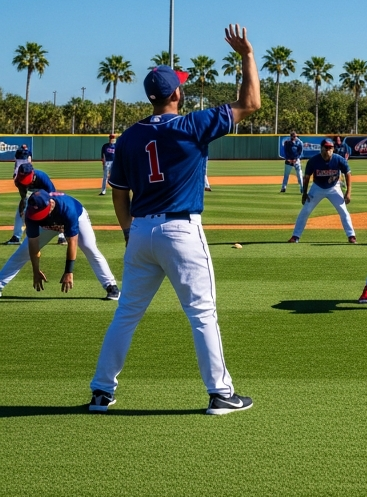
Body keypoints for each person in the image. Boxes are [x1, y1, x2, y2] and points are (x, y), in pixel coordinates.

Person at [88, 25, 261, 415]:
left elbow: (119, 191)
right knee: (202, 313)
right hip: (181, 230)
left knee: (126, 313)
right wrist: (247, 55)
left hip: (142, 230)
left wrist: (130, 232)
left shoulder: (129, 137)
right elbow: (250, 103)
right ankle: (220, 394)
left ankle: (102, 391)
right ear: (176, 94)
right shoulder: (191, 125)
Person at [0, 189, 119, 300]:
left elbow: (72, 241)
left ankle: (111, 285)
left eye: (41, 212)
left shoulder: (67, 209)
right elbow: (33, 244)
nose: (39, 214)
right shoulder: (31, 214)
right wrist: (35, 271)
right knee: (23, 251)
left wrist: (69, 271)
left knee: (89, 247)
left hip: (77, 218)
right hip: (46, 226)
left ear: (50, 203)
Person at [288, 138, 356, 243]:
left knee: (343, 210)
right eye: (326, 147)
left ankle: (351, 236)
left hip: (334, 187)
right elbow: (307, 177)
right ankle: (295, 236)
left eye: (330, 148)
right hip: (317, 187)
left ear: (333, 149)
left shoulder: (338, 159)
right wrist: (305, 193)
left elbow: (348, 173)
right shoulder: (313, 161)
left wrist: (348, 192)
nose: (328, 150)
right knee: (305, 211)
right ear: (321, 148)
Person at [7, 163, 59, 247]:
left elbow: (52, 194)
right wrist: (23, 209)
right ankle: (16, 237)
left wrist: (50, 206)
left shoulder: (42, 176)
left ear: (32, 173)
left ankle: (62, 236)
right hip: (32, 194)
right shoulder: (18, 181)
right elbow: (24, 197)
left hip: (45, 193)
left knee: (56, 209)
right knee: (20, 211)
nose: (24, 180)